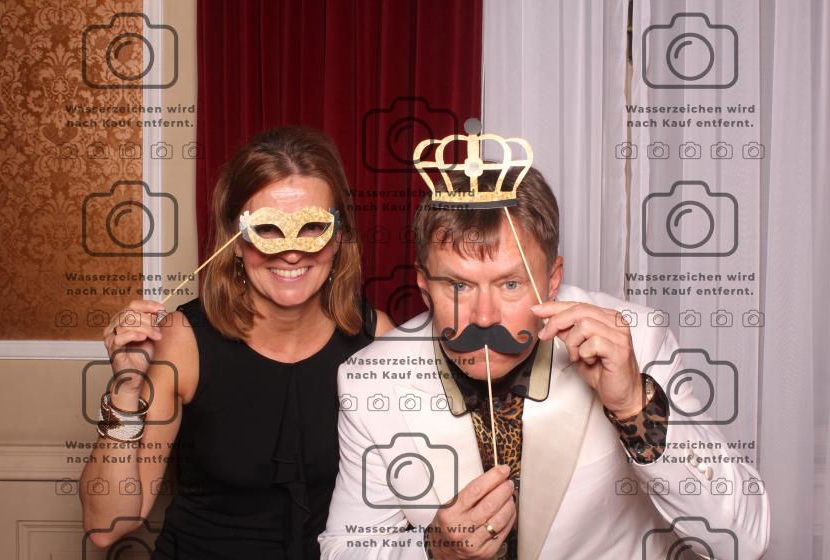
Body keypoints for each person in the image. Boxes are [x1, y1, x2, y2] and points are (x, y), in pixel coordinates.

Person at [319, 167, 770, 559]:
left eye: (511, 284)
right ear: (423, 287)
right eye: (458, 286)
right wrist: (433, 550)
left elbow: (743, 543)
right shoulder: (370, 380)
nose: (484, 317)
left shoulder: (637, 338)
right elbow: (344, 550)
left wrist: (635, 406)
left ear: (552, 280)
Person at [79, 126, 391, 559]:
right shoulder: (182, 341)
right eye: (267, 229)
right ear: (236, 241)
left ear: (338, 237)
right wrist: (126, 389)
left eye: (312, 227)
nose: (291, 253)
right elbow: (107, 527)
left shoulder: (376, 339)